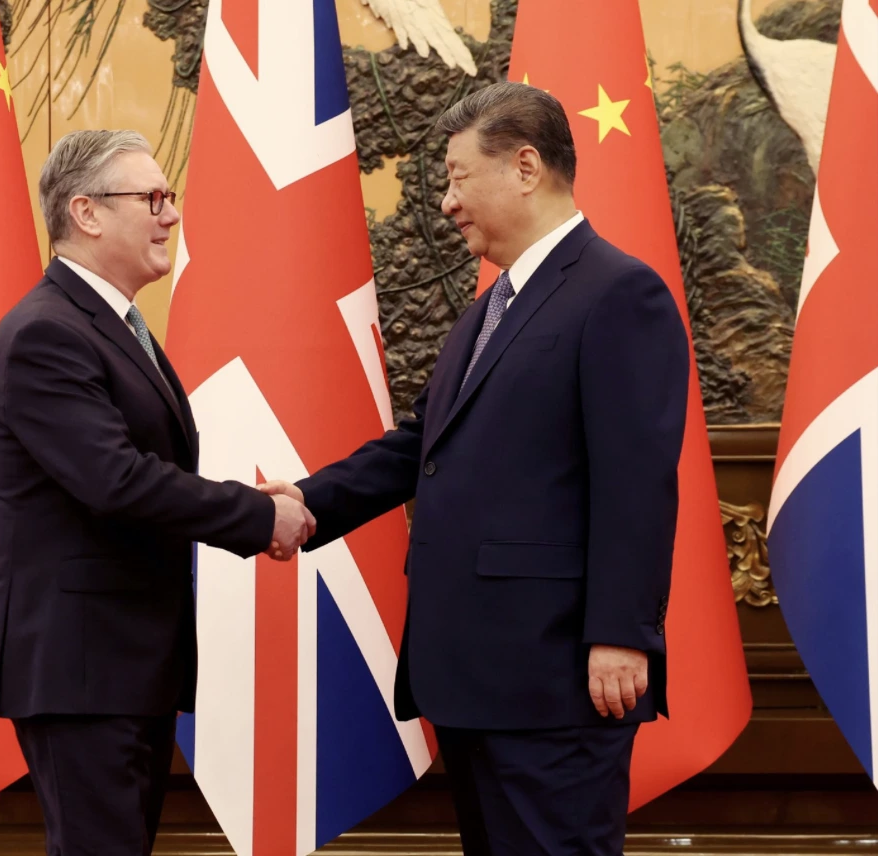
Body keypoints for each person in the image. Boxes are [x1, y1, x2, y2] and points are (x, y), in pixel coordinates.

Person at [261, 83, 690, 855]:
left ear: (525, 167)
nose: (448, 202)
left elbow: (637, 480)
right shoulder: (489, 311)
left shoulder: (620, 293)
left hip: (556, 678)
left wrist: (622, 635)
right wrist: (308, 500)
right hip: (478, 676)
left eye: (459, 177)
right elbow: (423, 445)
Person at [0, 129, 313, 856]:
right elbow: (117, 481)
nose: (170, 216)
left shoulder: (110, 326)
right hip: (83, 670)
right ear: (87, 213)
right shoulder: (47, 333)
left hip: (121, 666)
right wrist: (259, 516)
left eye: (171, 199)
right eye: (153, 199)